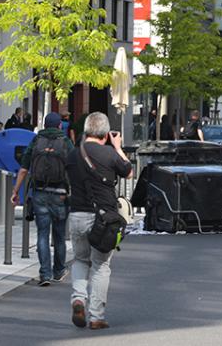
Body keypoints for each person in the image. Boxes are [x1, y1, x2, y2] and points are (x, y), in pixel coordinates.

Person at [65, 112, 132, 329]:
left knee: (80, 260)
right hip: (103, 219)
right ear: (105, 134)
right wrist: (118, 146)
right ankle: (96, 316)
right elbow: (128, 172)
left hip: (76, 215)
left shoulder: (73, 154)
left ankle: (78, 299)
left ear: (86, 131)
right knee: (101, 265)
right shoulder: (109, 154)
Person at [12, 112, 73, 287]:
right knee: (60, 236)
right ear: (60, 125)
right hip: (60, 194)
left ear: (45, 126)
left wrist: (15, 191)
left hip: (39, 193)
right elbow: (74, 168)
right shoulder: (66, 142)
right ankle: (59, 271)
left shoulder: (36, 141)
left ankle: (44, 274)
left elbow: (24, 169)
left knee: (42, 234)